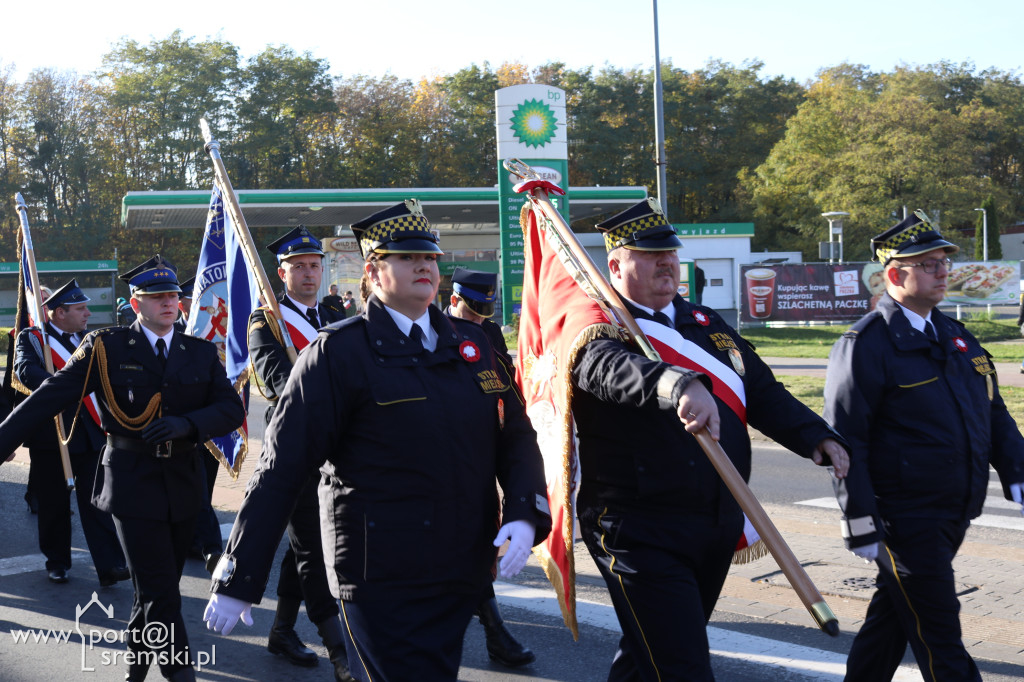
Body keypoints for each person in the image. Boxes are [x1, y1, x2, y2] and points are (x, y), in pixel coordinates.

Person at [203, 199, 551, 682]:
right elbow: (281, 466)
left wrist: (525, 510)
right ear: (373, 270)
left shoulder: (472, 347)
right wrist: (240, 574)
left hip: (459, 566)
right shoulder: (337, 353)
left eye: (429, 257)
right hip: (378, 572)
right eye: (407, 257)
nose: (424, 266)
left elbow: (515, 434)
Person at [572, 198, 849, 682]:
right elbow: (609, 370)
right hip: (639, 527)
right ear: (615, 266)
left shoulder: (707, 325)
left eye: (670, 253)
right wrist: (676, 383)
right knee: (682, 666)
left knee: (649, 657)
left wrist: (816, 437)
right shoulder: (598, 325)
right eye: (649, 254)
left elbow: (762, 393)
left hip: (713, 520)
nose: (666, 262)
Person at [0, 255, 245, 682]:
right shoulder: (106, 347)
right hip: (132, 483)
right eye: (157, 296)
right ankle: (180, 673)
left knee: (154, 587)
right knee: (161, 590)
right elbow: (50, 395)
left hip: (184, 483)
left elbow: (230, 409)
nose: (169, 303)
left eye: (173, 295)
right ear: (136, 304)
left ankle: (134, 666)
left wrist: (188, 424)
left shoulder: (198, 352)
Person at [823, 212, 1024, 682]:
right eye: (929, 264)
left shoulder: (956, 336)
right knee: (940, 638)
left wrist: (1018, 472)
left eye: (943, 263)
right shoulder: (865, 344)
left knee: (891, 623)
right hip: (904, 518)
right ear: (896, 276)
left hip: (953, 509)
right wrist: (860, 520)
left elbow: (993, 413)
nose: (942, 272)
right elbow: (846, 441)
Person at [246, 225, 350, 679]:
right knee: (314, 546)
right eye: (299, 267)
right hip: (295, 446)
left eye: (314, 266)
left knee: (303, 543)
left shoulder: (334, 311)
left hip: (338, 443)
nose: (309, 274)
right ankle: (341, 652)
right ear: (281, 273)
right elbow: (274, 383)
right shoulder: (266, 321)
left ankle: (283, 630)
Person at [444, 266, 533, 667]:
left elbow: (506, 386)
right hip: (446, 454)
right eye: (472, 310)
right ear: (453, 301)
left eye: (485, 312)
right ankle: (495, 633)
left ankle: (492, 634)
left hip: (484, 446)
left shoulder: (490, 333)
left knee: (479, 543)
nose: (479, 320)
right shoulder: (437, 331)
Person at [13, 279, 128, 586]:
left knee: (98, 501)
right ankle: (57, 562)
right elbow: (25, 371)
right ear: (60, 312)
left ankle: (110, 564)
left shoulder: (89, 339)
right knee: (53, 504)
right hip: (53, 435)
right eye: (81, 309)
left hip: (90, 433)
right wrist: (61, 388)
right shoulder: (34, 338)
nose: (88, 313)